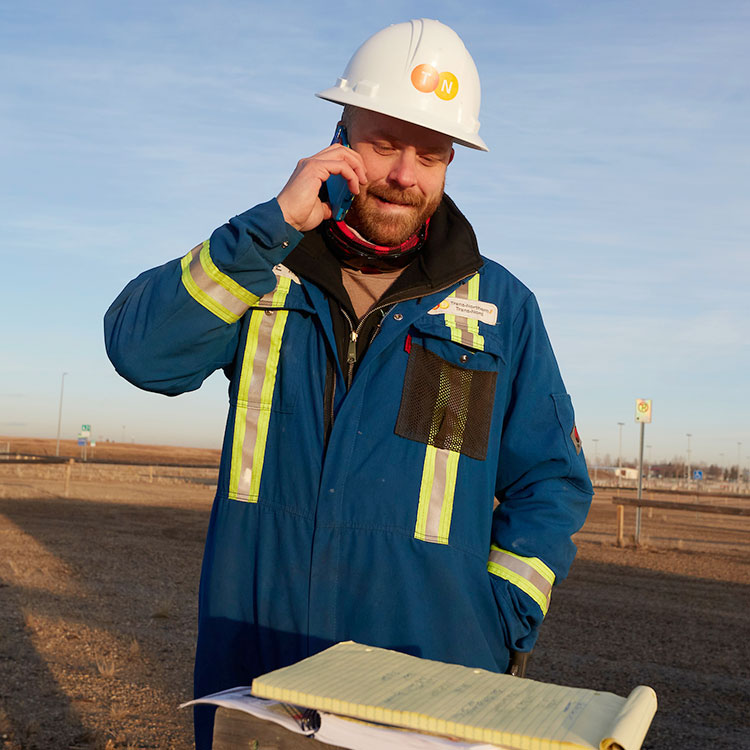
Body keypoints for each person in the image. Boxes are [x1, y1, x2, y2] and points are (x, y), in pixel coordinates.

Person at [105, 19, 593, 748]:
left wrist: (498, 616)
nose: (404, 173)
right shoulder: (263, 269)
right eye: (383, 142)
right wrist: (272, 225)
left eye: (430, 153)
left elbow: (551, 483)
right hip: (260, 668)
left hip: (426, 687)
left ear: (451, 161)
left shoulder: (499, 313)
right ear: (339, 134)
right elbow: (142, 353)